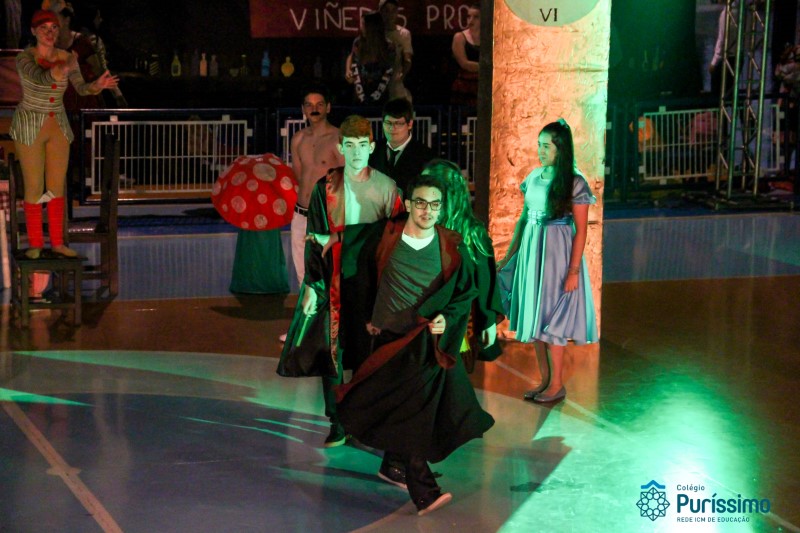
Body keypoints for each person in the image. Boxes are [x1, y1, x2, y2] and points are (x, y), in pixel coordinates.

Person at [334, 172, 494, 515]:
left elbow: (465, 292)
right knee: (406, 410)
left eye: (435, 204)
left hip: (425, 343)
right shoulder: (385, 236)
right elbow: (358, 272)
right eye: (421, 203)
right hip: (389, 340)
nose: (427, 210)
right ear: (408, 204)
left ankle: (406, 474)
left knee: (414, 412)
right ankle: (420, 487)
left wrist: (447, 318)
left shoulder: (451, 246)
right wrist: (367, 316)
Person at [278, 115, 403, 448]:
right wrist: (312, 286)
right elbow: (315, 239)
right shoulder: (326, 187)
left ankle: (363, 418)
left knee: (368, 353)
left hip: (372, 286)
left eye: (362, 145)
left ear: (372, 147)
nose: (357, 152)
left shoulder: (387, 188)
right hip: (334, 282)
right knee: (331, 353)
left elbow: (396, 237)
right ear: (340, 148)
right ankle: (337, 420)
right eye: (350, 145)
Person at [497, 119, 598, 403]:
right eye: (539, 145)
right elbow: (523, 219)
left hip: (556, 254)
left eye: (546, 146)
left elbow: (581, 230)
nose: (540, 151)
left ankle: (556, 384)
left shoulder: (574, 182)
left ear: (560, 149)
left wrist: (573, 270)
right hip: (533, 251)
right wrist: (510, 255)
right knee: (537, 318)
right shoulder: (534, 177)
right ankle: (545, 381)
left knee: (553, 318)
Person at [10, 9, 117, 259]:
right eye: (44, 28)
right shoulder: (25, 58)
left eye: (54, 28)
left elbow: (81, 87)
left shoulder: (67, 57)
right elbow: (39, 79)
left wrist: (96, 86)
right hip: (30, 125)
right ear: (34, 31)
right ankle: (36, 243)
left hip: (57, 125)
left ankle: (57, 242)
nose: (50, 33)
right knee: (34, 186)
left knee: (57, 186)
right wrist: (61, 69)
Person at [422, 159, 503, 371]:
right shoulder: (421, 228)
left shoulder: (472, 233)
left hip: (462, 321)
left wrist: (488, 320)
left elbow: (484, 280)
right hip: (426, 317)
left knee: (455, 371)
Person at [289, 85, 344, 287]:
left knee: (327, 269)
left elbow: (347, 178)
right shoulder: (298, 139)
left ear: (328, 107)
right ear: (303, 109)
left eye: (319, 104)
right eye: (309, 105)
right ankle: (306, 306)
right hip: (301, 213)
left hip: (326, 215)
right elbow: (299, 175)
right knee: (301, 271)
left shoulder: (338, 138)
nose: (314, 109)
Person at [368, 97, 436, 197]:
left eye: (398, 123)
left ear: (410, 124)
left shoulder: (425, 156)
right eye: (388, 123)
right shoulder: (371, 150)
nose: (392, 128)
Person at [346, 11, 396, 106]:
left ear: (373, 27)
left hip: (380, 93)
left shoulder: (388, 46)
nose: (361, 27)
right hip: (360, 93)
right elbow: (352, 57)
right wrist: (348, 70)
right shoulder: (358, 42)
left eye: (363, 24)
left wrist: (378, 93)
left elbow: (389, 71)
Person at [378, 0, 413, 101]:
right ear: (380, 12)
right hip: (376, 81)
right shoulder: (373, 33)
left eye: (393, 10)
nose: (390, 14)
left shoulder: (404, 34)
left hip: (394, 82)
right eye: (386, 11)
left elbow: (407, 59)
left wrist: (402, 74)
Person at [450, 3, 480, 107]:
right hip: (465, 86)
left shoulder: (490, 38)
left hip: (484, 84)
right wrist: (488, 67)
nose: (471, 20)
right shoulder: (460, 37)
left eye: (476, 17)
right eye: (468, 16)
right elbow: (464, 64)